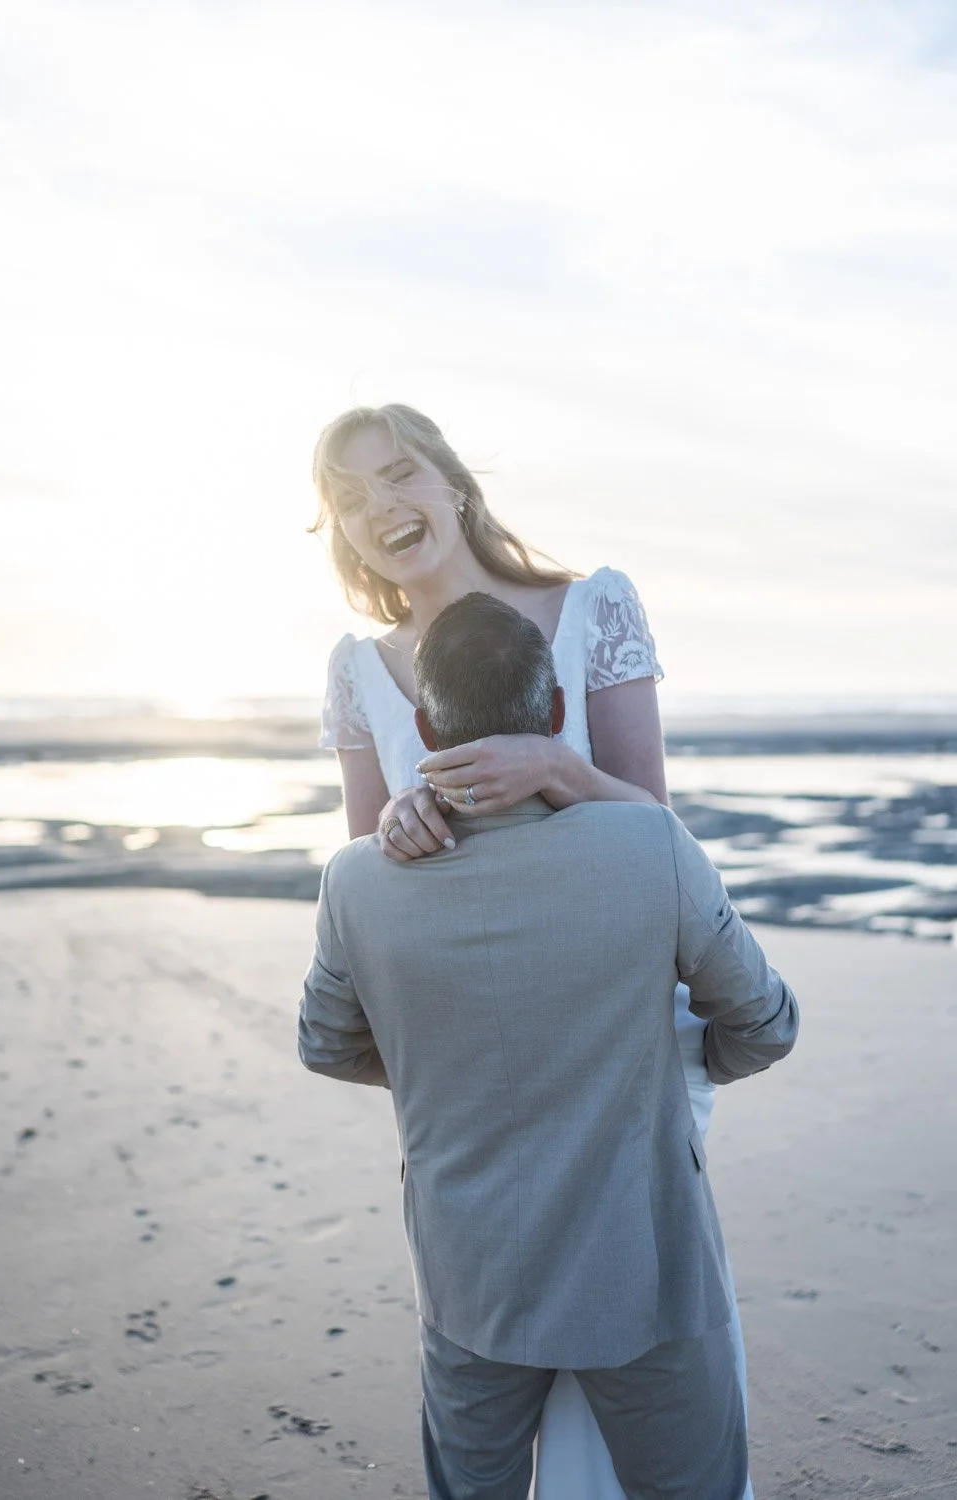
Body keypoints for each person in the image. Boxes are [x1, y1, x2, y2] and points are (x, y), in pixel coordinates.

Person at [311, 403, 748, 1498]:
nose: (381, 510)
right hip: (472, 1078)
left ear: (451, 482)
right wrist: (400, 831)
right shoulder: (361, 669)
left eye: (398, 475)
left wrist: (556, 771)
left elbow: (655, 832)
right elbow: (370, 888)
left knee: (636, 1314)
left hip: (617, 1046)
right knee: (502, 1324)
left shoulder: (589, 606)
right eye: (350, 500)